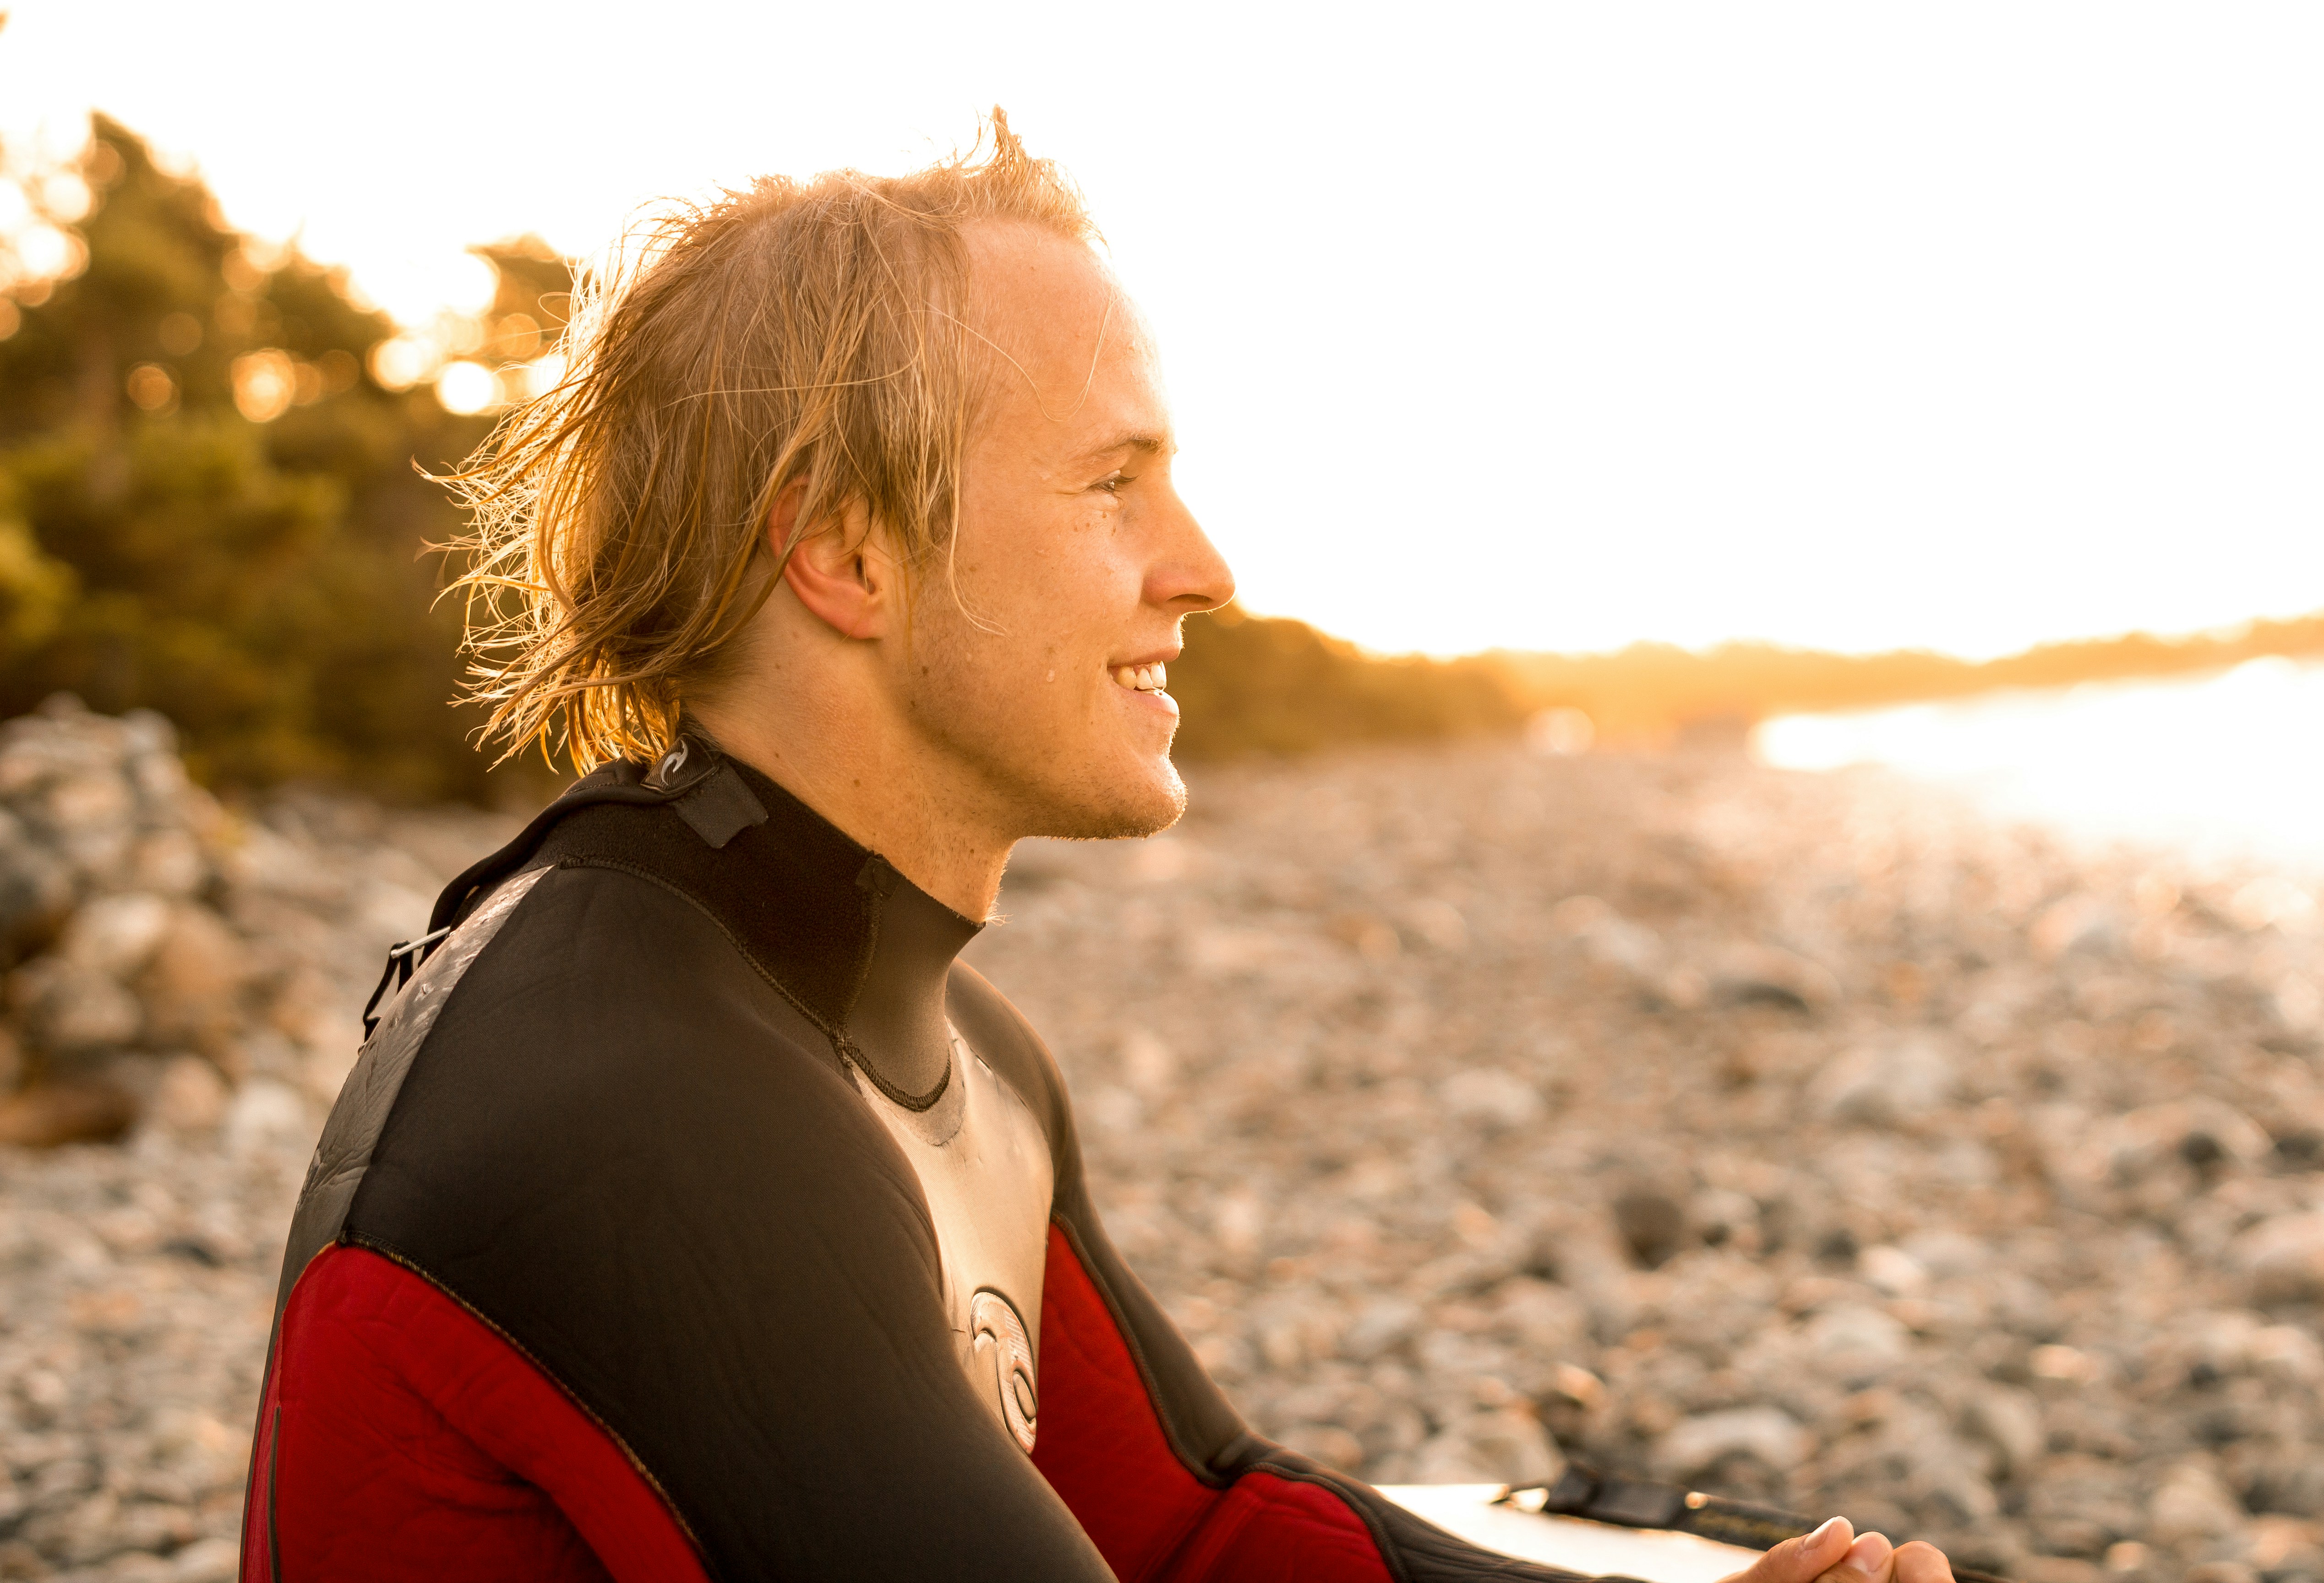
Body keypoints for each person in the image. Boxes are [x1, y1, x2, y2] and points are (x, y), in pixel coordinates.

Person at [239, 115, 1955, 1583]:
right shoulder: (628, 1101)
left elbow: (1194, 1528)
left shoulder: (939, 1047)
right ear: (846, 553)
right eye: (1112, 483)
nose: (1202, 566)